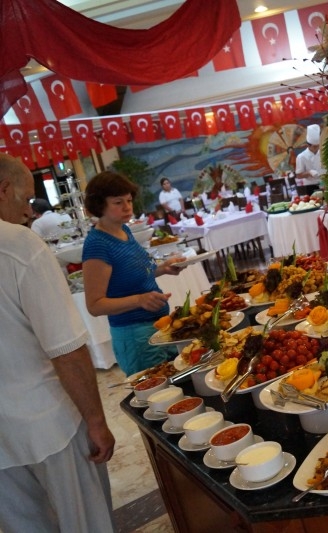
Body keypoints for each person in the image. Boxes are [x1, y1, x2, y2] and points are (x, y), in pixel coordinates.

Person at [0, 154, 116, 532]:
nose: (28, 211)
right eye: (24, 199)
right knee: (86, 522)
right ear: (3, 190)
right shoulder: (18, 244)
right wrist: (96, 421)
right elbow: (65, 348)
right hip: (47, 421)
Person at [82, 171, 186, 376]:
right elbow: (94, 305)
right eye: (118, 202)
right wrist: (139, 300)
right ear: (99, 205)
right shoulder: (97, 244)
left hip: (159, 326)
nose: (127, 207)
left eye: (129, 200)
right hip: (135, 337)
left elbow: (133, 275)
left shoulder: (124, 230)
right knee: (157, 391)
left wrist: (163, 268)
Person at [295, 124, 324, 196]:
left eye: (318, 146)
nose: (317, 148)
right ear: (308, 145)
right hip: (311, 187)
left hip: (325, 184)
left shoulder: (323, 153)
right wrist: (309, 172)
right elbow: (298, 175)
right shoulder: (301, 157)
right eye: (314, 147)